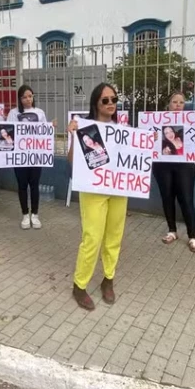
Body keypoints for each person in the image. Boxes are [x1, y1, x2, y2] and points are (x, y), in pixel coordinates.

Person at [67, 83, 126, 310]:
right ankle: (79, 285)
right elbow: (73, 162)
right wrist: (72, 135)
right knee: (92, 237)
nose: (111, 103)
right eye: (105, 100)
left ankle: (108, 279)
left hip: (118, 190)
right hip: (93, 191)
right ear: (96, 103)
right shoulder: (85, 128)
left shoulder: (123, 129)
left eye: (114, 99)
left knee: (114, 236)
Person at [153, 92, 195, 252]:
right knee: (167, 197)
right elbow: (147, 141)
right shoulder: (157, 122)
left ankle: (192, 236)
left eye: (181, 102)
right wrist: (152, 137)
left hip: (185, 166)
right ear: (168, 104)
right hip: (162, 166)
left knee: (186, 199)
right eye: (174, 101)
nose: (178, 105)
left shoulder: (192, 123)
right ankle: (172, 231)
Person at [8, 85, 55, 230]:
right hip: (20, 156)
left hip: (36, 156)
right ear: (20, 99)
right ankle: (24, 215)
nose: (28, 99)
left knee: (34, 185)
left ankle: (35, 214)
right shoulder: (14, 113)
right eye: (24, 97)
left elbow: (44, 133)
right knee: (22, 186)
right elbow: (8, 131)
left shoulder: (39, 112)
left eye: (30, 96)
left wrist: (51, 126)